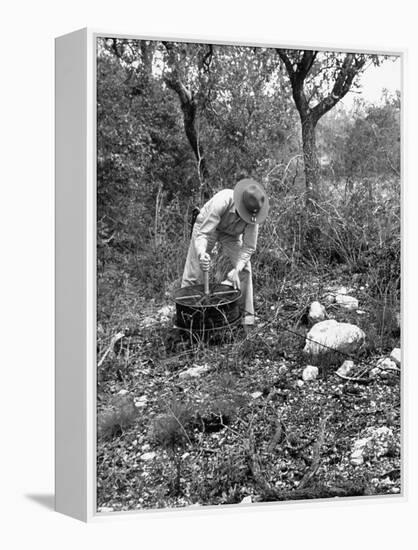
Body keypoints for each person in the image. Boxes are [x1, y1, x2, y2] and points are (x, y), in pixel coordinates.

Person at [181, 178, 269, 329]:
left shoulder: (254, 213)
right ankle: (187, 319)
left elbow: (248, 247)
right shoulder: (222, 201)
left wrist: (237, 269)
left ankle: (246, 319)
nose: (247, 219)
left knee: (245, 270)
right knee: (194, 272)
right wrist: (202, 254)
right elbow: (203, 234)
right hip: (208, 229)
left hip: (231, 235)